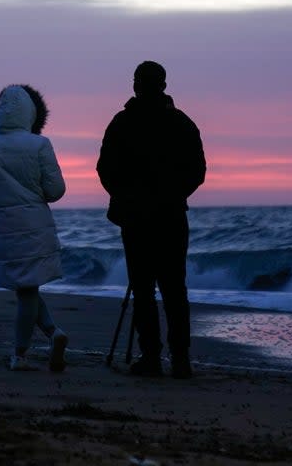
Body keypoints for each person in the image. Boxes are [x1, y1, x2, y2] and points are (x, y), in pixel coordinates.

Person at [97, 61, 206, 378]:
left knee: (143, 289)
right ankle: (181, 360)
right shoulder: (182, 123)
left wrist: (126, 196)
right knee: (175, 289)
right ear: (163, 85)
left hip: (136, 217)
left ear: (136, 85)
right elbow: (197, 172)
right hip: (171, 215)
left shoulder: (122, 123)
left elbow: (105, 170)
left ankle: (151, 357)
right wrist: (174, 194)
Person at [0, 84, 70, 372]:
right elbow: (56, 190)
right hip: (36, 225)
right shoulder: (40, 144)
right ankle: (52, 333)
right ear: (33, 114)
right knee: (28, 288)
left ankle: (22, 353)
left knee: (25, 289)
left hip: (3, 226)